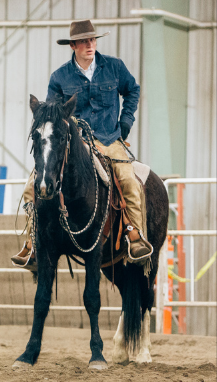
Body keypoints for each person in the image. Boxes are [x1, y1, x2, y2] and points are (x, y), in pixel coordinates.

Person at [11, 19, 148, 269]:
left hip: (109, 138)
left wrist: (125, 121)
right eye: (84, 41)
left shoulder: (115, 68)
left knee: (128, 180)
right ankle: (32, 243)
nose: (90, 45)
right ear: (73, 45)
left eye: (92, 40)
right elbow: (53, 115)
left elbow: (132, 90)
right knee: (33, 185)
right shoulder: (60, 77)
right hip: (76, 143)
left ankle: (134, 235)